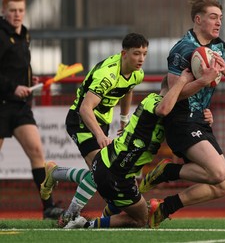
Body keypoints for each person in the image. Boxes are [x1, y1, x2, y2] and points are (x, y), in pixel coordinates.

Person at [139, 0, 225, 228]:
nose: (219, 23)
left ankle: (165, 207)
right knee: (217, 174)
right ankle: (168, 171)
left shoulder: (220, 47)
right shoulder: (183, 49)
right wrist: (203, 81)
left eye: (221, 18)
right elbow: (175, 94)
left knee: (223, 186)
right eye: (213, 17)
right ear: (198, 19)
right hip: (180, 120)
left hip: (200, 121)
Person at [63, 71, 214, 229]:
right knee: (142, 219)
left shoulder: (157, 104)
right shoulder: (157, 103)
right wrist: (188, 80)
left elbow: (185, 132)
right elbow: (164, 109)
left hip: (110, 165)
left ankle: (95, 221)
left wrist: (204, 119)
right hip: (115, 172)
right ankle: (85, 225)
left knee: (127, 203)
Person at [40, 32, 148, 227]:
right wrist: (99, 135)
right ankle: (69, 216)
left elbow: (128, 89)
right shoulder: (107, 75)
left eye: (144, 54)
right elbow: (85, 108)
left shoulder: (137, 73)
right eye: (136, 53)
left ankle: (54, 173)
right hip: (81, 119)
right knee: (101, 172)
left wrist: (123, 121)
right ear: (124, 53)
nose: (141, 59)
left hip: (100, 122)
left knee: (98, 174)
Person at [0, 0, 64, 219]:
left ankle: (48, 207)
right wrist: (12, 87)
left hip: (20, 107)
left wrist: (29, 81)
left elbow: (18, 66)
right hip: (2, 103)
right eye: (12, 10)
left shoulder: (24, 34)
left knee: (37, 152)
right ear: (4, 11)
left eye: (20, 10)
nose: (17, 15)